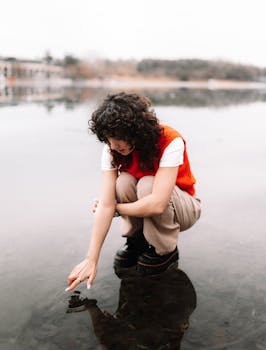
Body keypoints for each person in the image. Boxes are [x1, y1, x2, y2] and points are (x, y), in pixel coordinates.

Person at [66, 92, 201, 292]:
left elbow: (157, 204)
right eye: (108, 139)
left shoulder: (170, 140)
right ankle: (137, 239)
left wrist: (115, 208)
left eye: (118, 138)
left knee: (147, 184)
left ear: (136, 130)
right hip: (146, 202)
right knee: (123, 183)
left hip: (183, 208)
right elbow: (106, 202)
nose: (113, 145)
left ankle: (164, 249)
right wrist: (91, 259)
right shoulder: (111, 148)